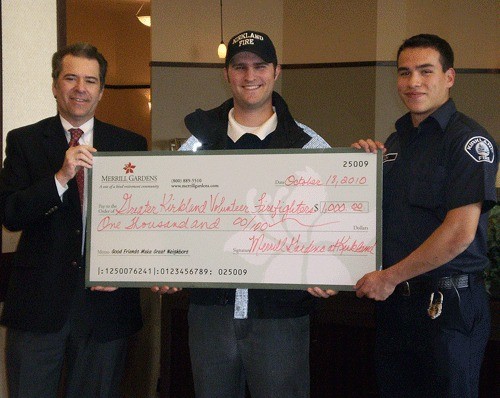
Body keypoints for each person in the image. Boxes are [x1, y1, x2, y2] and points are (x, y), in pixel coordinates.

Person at [152, 30, 332, 398]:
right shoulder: (195, 146)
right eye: (240, 67)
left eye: (260, 66)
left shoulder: (310, 146)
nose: (250, 76)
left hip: (281, 313)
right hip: (210, 313)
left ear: (276, 71)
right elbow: (170, 219)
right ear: (227, 74)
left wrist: (330, 268)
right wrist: (164, 265)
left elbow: (330, 224)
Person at [351, 34, 498, 398]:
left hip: (447, 309)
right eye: (404, 73)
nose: (413, 82)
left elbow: (459, 233)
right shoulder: (396, 142)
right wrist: (357, 166)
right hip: (397, 309)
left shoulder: (468, 141)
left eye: (425, 71)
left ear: (449, 77)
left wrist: (389, 278)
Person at [0, 42, 146, 397]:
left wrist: (126, 269)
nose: (81, 88)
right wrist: (60, 177)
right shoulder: (24, 141)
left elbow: (142, 224)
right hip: (38, 308)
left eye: (90, 80)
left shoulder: (130, 144)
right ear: (55, 85)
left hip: (106, 309)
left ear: (101, 90)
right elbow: (10, 214)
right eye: (71, 78)